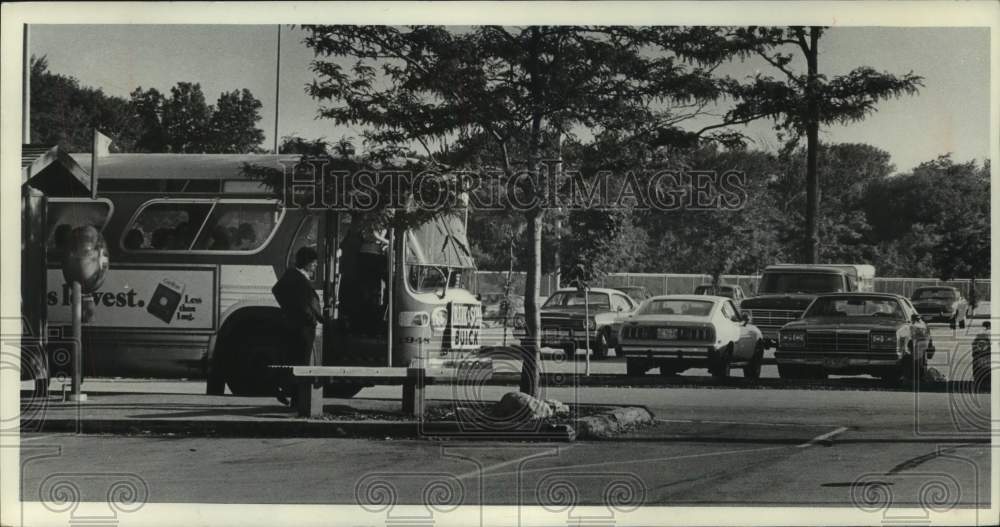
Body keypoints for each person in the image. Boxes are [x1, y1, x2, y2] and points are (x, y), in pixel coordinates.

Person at [271, 246, 323, 406]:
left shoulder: (293, 275)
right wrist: (307, 316)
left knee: (295, 361)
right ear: (307, 262)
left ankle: (292, 395)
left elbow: (277, 290)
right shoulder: (297, 277)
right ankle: (295, 397)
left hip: (299, 325)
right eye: (314, 262)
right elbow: (304, 302)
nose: (316, 265)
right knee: (301, 362)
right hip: (303, 327)